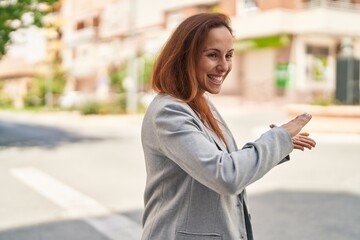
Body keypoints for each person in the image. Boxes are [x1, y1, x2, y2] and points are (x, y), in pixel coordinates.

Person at [141, 13, 316, 240]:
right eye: (213, 55)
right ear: (185, 57)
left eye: (229, 55)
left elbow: (227, 162)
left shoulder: (200, 103)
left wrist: (280, 145)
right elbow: (226, 175)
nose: (224, 66)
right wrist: (277, 138)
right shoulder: (169, 112)